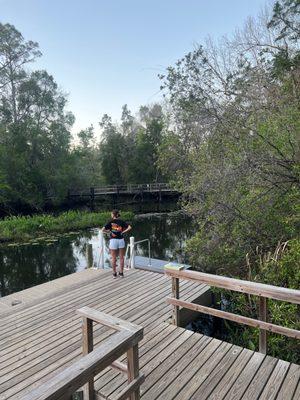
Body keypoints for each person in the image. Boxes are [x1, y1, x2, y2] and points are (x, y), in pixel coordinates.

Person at [102, 210, 132, 278]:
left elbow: (102, 230)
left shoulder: (110, 222)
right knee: (121, 258)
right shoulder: (121, 221)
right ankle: (121, 273)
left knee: (113, 258)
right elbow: (130, 227)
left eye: (111, 214)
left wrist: (109, 232)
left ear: (113, 215)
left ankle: (114, 274)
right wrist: (123, 232)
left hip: (113, 240)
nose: (111, 215)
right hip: (121, 240)